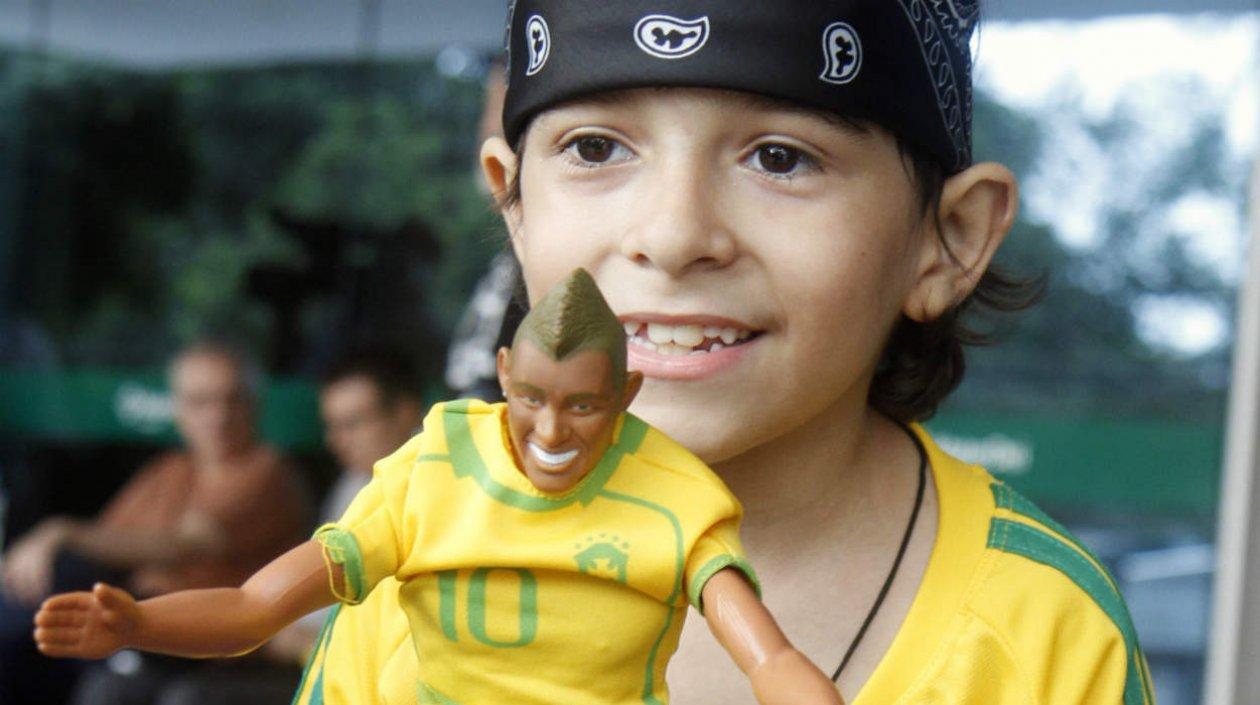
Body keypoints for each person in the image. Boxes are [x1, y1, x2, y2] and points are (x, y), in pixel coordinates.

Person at [465, 2, 1149, 703]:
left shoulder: (1042, 640)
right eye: (595, 148)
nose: (673, 235)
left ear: (948, 239)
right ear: (514, 207)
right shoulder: (418, 563)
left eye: (779, 157)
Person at [34, 270, 844, 705]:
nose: (553, 433)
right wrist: (137, 621)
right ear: (502, 378)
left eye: (584, 406)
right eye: (532, 400)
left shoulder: (675, 498)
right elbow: (256, 605)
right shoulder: (434, 470)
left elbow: (769, 657)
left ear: (626, 399)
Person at [1, 342, 310, 705]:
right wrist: (41, 551)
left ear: (255, 404)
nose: (219, 415)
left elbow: (186, 544)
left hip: (217, 649)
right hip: (141, 633)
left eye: (233, 399)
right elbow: (107, 540)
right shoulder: (169, 470)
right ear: (178, 409)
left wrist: (61, 531)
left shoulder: (268, 471)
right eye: (201, 401)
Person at [262, 350, 423, 704]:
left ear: (406, 413)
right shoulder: (353, 482)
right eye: (332, 426)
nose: (337, 440)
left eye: (353, 423)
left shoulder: (439, 482)